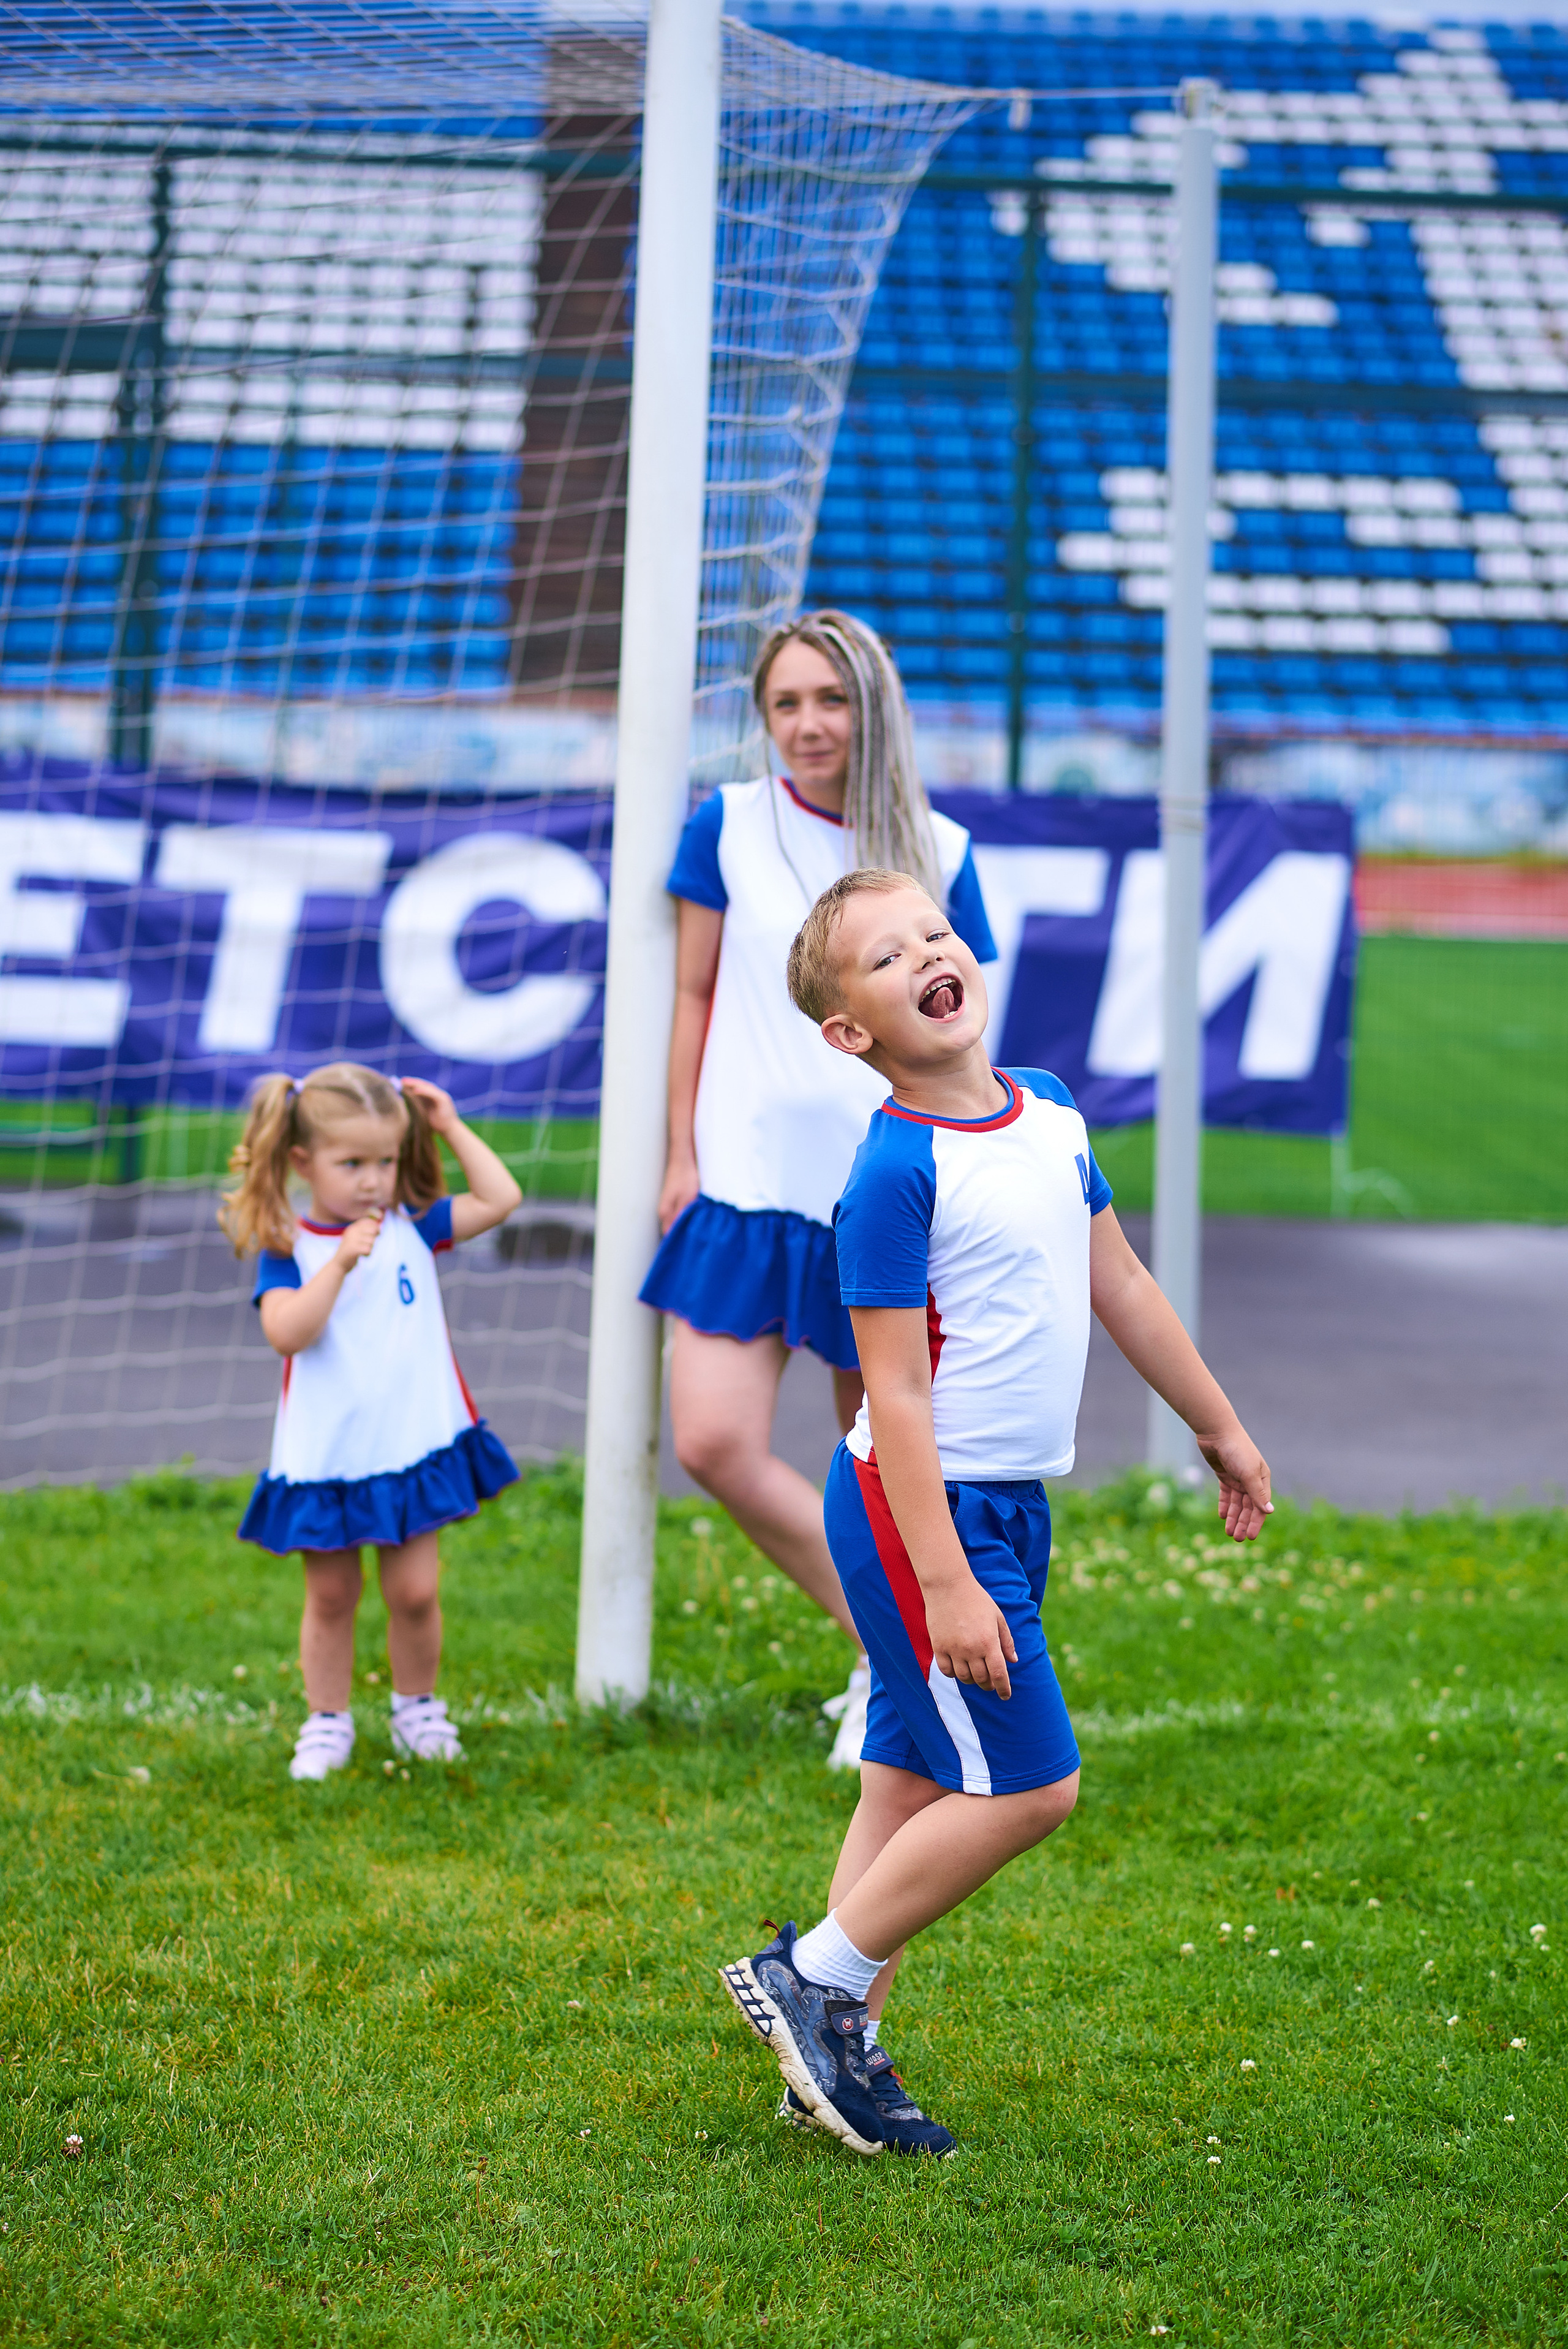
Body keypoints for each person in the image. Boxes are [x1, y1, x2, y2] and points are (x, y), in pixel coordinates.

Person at [720, 869, 1273, 2156]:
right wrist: (950, 1581)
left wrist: (1215, 1422)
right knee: (1033, 1787)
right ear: (851, 1033)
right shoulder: (891, 1176)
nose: (923, 950)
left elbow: (1120, 1281)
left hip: (1007, 1503)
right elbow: (895, 1405)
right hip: (924, 1516)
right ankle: (814, 1980)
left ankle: (830, 2053)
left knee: (908, 1779)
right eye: (882, 955)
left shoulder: (1052, 1117)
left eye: (932, 931)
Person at [641, 611, 997, 1766]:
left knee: (892, 1460)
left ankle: (892, 1679)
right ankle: (888, 1640)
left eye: (830, 700)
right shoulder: (728, 824)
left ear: (871, 708)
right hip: (742, 1184)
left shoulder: (937, 847)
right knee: (711, 1440)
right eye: (785, 703)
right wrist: (677, 1156)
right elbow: (691, 995)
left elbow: (967, 1030)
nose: (806, 724)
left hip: (884, 1194)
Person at [221, 1062, 522, 1782]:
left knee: (415, 1594)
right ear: (302, 1161)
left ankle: (417, 1708)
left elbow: (501, 1197)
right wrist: (337, 1268)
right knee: (331, 1596)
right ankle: (326, 1722)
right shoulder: (287, 1242)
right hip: (327, 1462)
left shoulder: (412, 1224)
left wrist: (447, 1126)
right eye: (351, 1162)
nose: (372, 1179)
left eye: (384, 1161)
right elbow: (286, 1333)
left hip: (410, 1451)